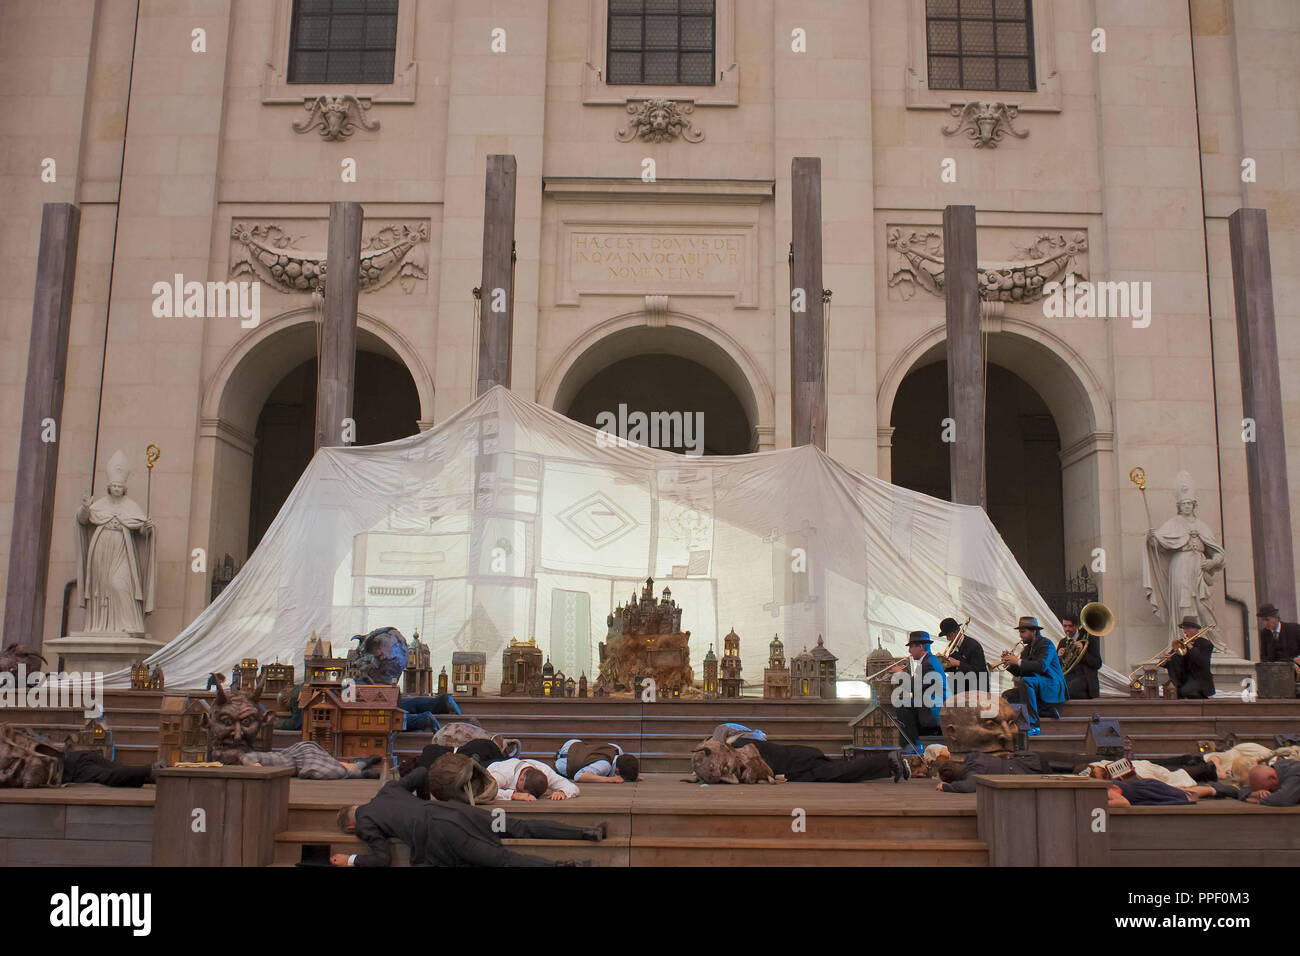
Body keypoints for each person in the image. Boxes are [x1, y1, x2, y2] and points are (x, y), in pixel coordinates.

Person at [332, 767, 603, 867]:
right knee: (519, 827)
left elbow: (381, 859)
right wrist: (424, 802)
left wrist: (350, 860)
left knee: (502, 860)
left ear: (352, 825)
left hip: (444, 834)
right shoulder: (388, 790)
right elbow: (422, 772)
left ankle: (567, 866)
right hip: (458, 812)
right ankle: (585, 832)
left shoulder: (365, 824)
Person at [998, 616, 1067, 734]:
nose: (1020, 635)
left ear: (1034, 631)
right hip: (1037, 684)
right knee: (1006, 696)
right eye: (1020, 632)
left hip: (1051, 683)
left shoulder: (1047, 644)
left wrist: (1018, 661)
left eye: (1023, 631)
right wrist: (1010, 664)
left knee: (1026, 682)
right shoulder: (1026, 650)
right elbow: (1022, 672)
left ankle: (1034, 725)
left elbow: (1041, 666)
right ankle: (1042, 711)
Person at [736, 738, 908, 783]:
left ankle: (889, 760)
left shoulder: (742, 748)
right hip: (799, 763)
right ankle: (890, 763)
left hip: (801, 764)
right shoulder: (741, 744)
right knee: (844, 772)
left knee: (844, 772)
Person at [891, 631, 950, 753]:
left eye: (911, 647)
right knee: (905, 703)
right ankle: (909, 744)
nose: (909, 651)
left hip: (932, 710)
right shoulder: (929, 661)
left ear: (920, 647)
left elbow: (912, 687)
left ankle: (912, 746)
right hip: (929, 704)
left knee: (902, 704)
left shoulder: (928, 664)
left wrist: (900, 674)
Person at [485, 757, 580, 801]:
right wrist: (513, 795)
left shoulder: (545, 772)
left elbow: (572, 787)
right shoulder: (504, 773)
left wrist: (562, 792)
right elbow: (485, 790)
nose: (523, 794)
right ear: (521, 778)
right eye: (520, 789)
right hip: (488, 766)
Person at [1165, 616, 1215, 699]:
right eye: (1184, 628)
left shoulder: (1206, 644)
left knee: (1186, 691)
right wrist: (1167, 661)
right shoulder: (1181, 643)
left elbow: (1203, 663)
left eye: (1188, 628)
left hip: (1199, 679)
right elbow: (1175, 660)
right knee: (1175, 689)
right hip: (1184, 677)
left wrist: (1191, 647)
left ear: (1196, 630)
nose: (1185, 631)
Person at [1058, 612, 1102, 700]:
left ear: (1076, 626)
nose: (1067, 629)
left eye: (1070, 626)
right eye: (1064, 626)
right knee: (1055, 688)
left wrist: (1083, 652)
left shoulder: (1088, 639)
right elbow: (1057, 667)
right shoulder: (1063, 642)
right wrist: (1058, 656)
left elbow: (1097, 664)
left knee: (1066, 689)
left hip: (1086, 678)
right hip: (1069, 677)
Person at [555, 739, 639, 783]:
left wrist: (632, 776)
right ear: (617, 770)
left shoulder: (616, 748)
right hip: (564, 764)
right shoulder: (604, 766)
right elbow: (579, 776)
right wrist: (610, 779)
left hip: (572, 744)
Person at [939, 617, 986, 692]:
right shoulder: (952, 647)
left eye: (949, 635)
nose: (948, 639)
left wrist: (958, 663)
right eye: (946, 636)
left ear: (957, 631)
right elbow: (955, 670)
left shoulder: (973, 646)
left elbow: (978, 672)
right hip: (961, 688)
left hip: (976, 689)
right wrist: (945, 667)